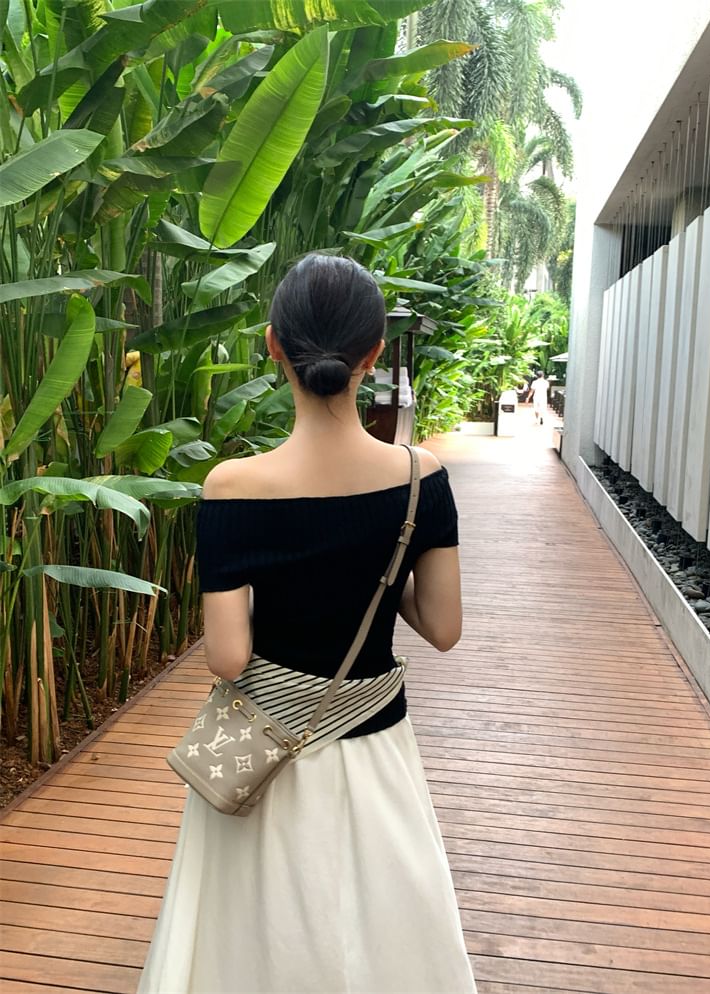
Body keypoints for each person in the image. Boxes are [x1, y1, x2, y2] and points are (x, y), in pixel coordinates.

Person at [136, 254, 477, 994]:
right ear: (373, 354)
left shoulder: (233, 487)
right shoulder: (421, 479)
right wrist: (380, 570)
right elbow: (443, 626)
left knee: (257, 940)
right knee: (383, 928)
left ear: (273, 346)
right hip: (376, 745)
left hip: (267, 754)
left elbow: (228, 657)